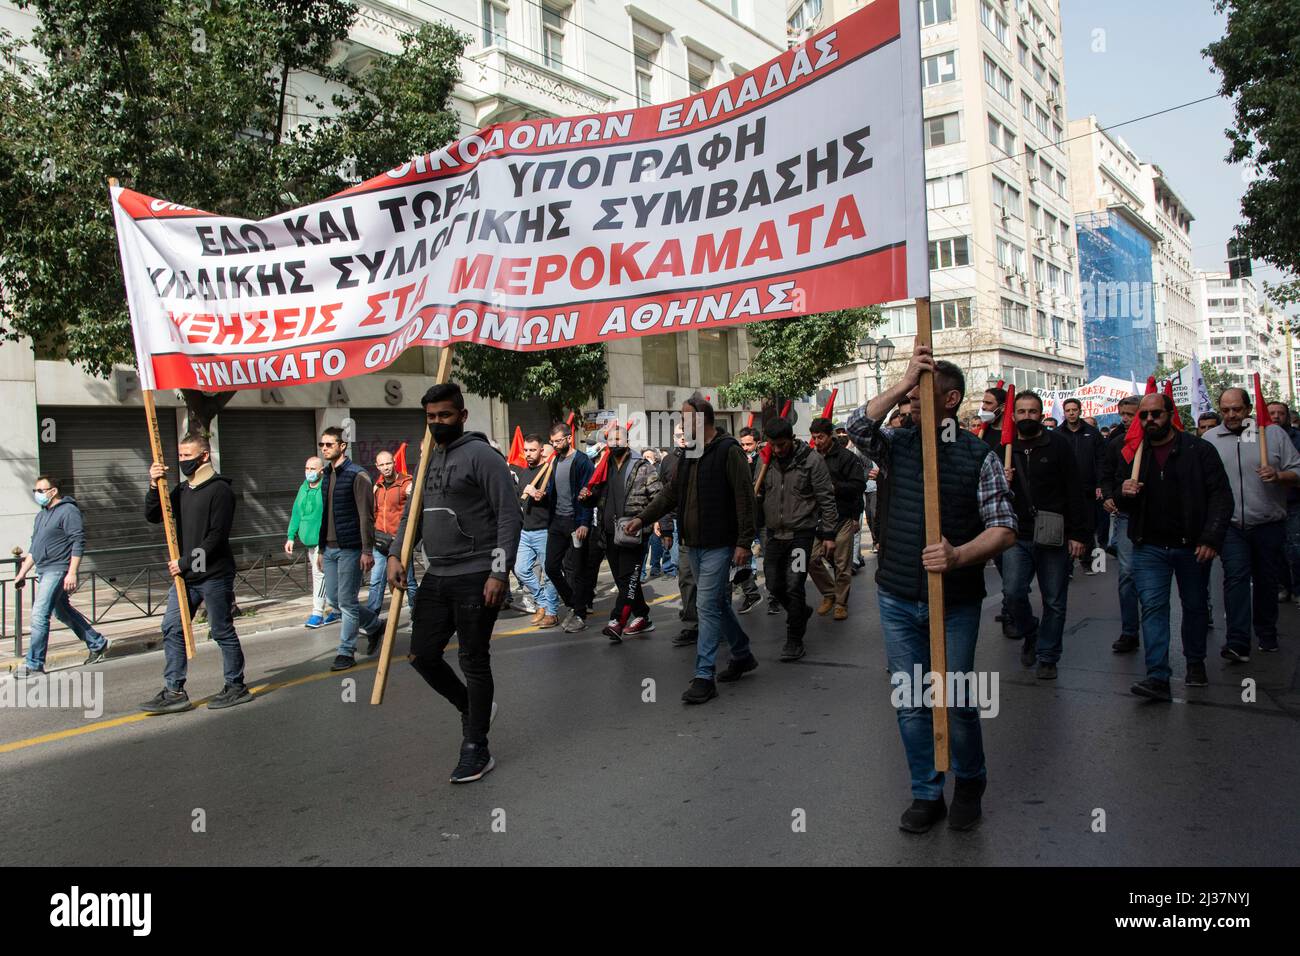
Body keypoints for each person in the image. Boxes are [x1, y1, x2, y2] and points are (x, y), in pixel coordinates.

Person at [847, 343, 1016, 833]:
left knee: (957, 698)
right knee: (912, 700)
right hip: (898, 597)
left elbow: (1004, 528)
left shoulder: (977, 457)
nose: (906, 408)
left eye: (918, 397)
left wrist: (959, 555)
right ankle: (926, 791)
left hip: (955, 602)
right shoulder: (898, 446)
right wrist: (902, 381)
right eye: (906, 399)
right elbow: (857, 426)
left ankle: (969, 782)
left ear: (949, 401)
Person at [390, 383, 521, 784]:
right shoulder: (426, 458)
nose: (437, 423)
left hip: (477, 574)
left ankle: (475, 746)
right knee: (421, 655)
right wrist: (397, 553)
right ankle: (472, 706)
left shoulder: (483, 456)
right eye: (430, 417)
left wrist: (499, 572)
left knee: (473, 659)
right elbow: (412, 513)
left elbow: (508, 516)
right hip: (437, 574)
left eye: (444, 415)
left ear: (462, 415)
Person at [628, 396, 758, 703]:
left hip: (719, 544)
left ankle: (704, 676)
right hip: (692, 543)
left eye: (686, 419)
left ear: (702, 420)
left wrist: (744, 542)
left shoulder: (729, 451)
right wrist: (642, 518)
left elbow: (744, 499)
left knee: (707, 606)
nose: (681, 425)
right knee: (717, 604)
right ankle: (742, 654)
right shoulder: (689, 453)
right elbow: (671, 494)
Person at [1118, 393, 1232, 698]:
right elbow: (1116, 497)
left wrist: (1211, 538)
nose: (1149, 420)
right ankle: (1157, 676)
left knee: (1194, 607)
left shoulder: (1199, 450)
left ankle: (1195, 661)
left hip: (1191, 546)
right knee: (1153, 608)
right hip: (1149, 546)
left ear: (1170, 414)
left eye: (1156, 414)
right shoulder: (1133, 453)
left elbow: (1221, 496)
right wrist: (1122, 491)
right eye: (1144, 416)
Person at [139, 434, 250, 713]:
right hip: (187, 578)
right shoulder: (183, 490)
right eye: (180, 456)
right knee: (172, 627)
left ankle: (236, 686)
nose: (182, 461)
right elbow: (154, 515)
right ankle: (174, 689)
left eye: (188, 456)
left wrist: (186, 561)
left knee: (221, 631)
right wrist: (154, 485)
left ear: (204, 455)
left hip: (213, 574)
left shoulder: (220, 490)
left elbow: (216, 537)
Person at [999, 392, 1092, 679]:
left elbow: (1075, 490)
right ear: (1013, 416)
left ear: (1041, 414)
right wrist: (1002, 480)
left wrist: (1079, 534)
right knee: (1013, 593)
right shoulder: (1004, 447)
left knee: (1054, 599)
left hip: (1054, 534)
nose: (1027, 416)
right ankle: (1031, 632)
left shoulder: (1059, 444)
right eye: (1022, 412)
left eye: (1033, 411)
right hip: (1016, 534)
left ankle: (1049, 655)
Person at [1202, 388, 1300, 659]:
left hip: (1268, 522)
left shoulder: (1272, 435)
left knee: (1266, 581)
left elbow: (1298, 470)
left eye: (1237, 409)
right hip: (1231, 526)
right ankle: (1237, 641)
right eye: (1225, 410)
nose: (1231, 415)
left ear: (1248, 409)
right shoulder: (1210, 439)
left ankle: (1267, 633)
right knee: (1235, 579)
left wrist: (1280, 476)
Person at [755, 417, 838, 661]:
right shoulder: (764, 463)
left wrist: (829, 534)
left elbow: (826, 499)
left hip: (800, 535)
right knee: (773, 584)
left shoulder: (812, 461)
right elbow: (756, 491)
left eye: (782, 444)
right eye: (774, 445)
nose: (778, 450)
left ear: (792, 439)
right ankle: (801, 611)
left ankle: (794, 640)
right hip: (773, 535)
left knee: (794, 585)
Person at [12, 475, 109, 677]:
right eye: (35, 491)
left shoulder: (68, 511)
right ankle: (97, 643)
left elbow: (77, 541)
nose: (37, 494)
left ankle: (35, 664)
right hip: (44, 569)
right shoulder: (41, 515)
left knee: (39, 614)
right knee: (62, 611)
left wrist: (72, 572)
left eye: (40, 490)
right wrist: (22, 573)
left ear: (53, 491)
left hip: (58, 569)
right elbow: (34, 549)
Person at [580, 425, 661, 641]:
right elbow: (595, 497)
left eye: (618, 439)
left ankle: (617, 621)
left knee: (629, 579)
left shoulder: (642, 466)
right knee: (625, 580)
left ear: (626, 441)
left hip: (632, 533)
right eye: (610, 439)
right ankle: (643, 616)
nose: (614, 443)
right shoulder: (603, 468)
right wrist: (586, 496)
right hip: (608, 534)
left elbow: (659, 498)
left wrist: (662, 525)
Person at [317, 426, 382, 671]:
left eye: (329, 444)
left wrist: (367, 550)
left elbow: (366, 516)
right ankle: (375, 626)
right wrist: (321, 549)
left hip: (351, 548)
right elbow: (326, 515)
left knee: (346, 601)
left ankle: (346, 651)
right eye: (322, 445)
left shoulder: (358, 475)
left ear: (342, 446)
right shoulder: (326, 474)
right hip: (331, 549)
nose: (324, 448)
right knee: (334, 599)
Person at [808, 417, 866, 621]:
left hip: (843, 516)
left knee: (842, 564)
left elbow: (859, 486)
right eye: (814, 437)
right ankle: (829, 593)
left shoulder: (846, 457)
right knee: (811, 558)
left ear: (830, 435)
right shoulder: (811, 458)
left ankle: (841, 602)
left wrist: (835, 488)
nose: (817, 441)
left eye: (821, 437)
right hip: (817, 519)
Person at [541, 421, 597, 633]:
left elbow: (586, 493)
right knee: (551, 567)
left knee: (577, 571)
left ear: (568, 438)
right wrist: (544, 494)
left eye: (558, 441)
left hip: (576, 522)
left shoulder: (582, 461)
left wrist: (584, 522)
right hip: (557, 521)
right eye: (552, 442)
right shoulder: (555, 461)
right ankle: (573, 603)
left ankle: (580, 614)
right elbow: (555, 488)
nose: (554, 445)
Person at [1100, 396, 1143, 652]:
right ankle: (1129, 631)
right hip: (1126, 517)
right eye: (1123, 413)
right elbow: (1106, 476)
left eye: (1132, 414)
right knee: (1127, 574)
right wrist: (1110, 495)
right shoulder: (1117, 444)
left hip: (1157, 520)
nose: (1126, 419)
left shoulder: (1158, 445)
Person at [658, 424, 700, 645]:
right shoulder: (668, 462)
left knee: (709, 580)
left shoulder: (704, 456)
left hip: (707, 528)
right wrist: (663, 524)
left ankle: (716, 622)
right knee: (684, 574)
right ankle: (692, 623)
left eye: (687, 434)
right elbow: (663, 495)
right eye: (679, 435)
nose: (683, 438)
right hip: (679, 524)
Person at [514, 434, 560, 629]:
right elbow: (519, 500)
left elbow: (557, 499)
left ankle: (551, 612)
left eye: (532, 450)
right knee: (520, 569)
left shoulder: (551, 470)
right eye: (526, 450)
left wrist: (544, 495)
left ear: (542, 450)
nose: (528, 454)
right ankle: (542, 602)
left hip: (545, 531)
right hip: (526, 531)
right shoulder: (524, 473)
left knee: (549, 573)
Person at [1057, 397, 1107, 573]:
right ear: (1064, 412)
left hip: (1088, 489)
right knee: (1066, 526)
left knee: (1089, 526)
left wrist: (1100, 483)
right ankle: (1067, 567)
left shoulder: (1093, 433)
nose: (1071, 413)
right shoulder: (1057, 434)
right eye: (1068, 410)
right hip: (1064, 489)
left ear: (1080, 411)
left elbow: (1101, 460)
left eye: (1074, 410)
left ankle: (1090, 563)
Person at [368, 450, 417, 618]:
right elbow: (374, 513)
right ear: (377, 467)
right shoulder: (377, 488)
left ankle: (416, 617)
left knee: (407, 581)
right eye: (381, 465)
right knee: (375, 582)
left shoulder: (406, 483)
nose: (385, 468)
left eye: (388, 463)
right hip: (380, 542)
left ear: (394, 463)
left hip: (400, 542)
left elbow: (412, 513)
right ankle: (371, 621)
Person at [285, 456, 332, 628]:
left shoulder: (325, 488)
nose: (309, 472)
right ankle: (337, 609)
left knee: (319, 575)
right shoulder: (303, 488)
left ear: (321, 470)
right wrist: (291, 536)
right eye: (307, 468)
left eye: (313, 469)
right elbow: (297, 513)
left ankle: (317, 613)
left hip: (324, 540)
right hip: (309, 542)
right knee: (327, 576)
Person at [1266, 401, 1300, 605]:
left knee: (1295, 548)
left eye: (1280, 413)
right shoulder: (1255, 438)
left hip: (1293, 501)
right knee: (1275, 550)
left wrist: (1281, 476)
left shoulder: (1297, 438)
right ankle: (1282, 586)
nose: (1276, 417)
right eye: (1271, 413)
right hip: (1270, 502)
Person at [732, 426, 764, 612]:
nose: (745, 448)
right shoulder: (738, 460)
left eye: (749, 444)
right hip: (744, 519)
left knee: (770, 562)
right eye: (742, 444)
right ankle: (751, 593)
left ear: (757, 443)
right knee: (741, 558)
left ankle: (776, 596)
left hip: (763, 518)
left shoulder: (764, 461)